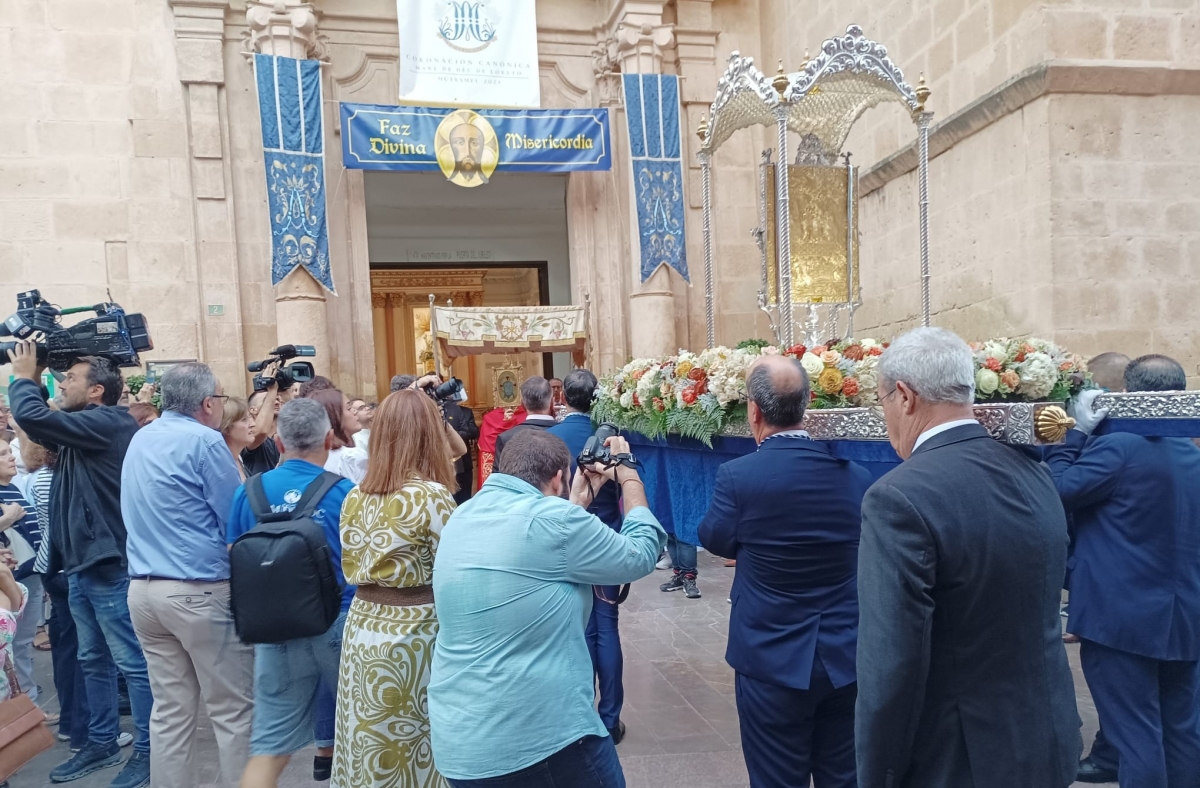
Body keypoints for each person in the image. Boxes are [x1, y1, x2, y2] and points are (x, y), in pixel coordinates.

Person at [855, 327, 1081, 788]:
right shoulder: (1032, 471)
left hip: (961, 756)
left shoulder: (898, 497)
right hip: (1046, 735)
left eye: (882, 402)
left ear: (904, 396)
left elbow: (892, 662)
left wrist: (878, 770)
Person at [429, 430, 665, 787]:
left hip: (462, 739)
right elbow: (640, 554)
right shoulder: (554, 520)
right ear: (558, 477)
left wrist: (575, 503)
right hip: (539, 738)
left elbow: (530, 551)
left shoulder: (463, 515)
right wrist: (629, 473)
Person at [699, 356, 872, 788]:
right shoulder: (857, 478)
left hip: (770, 655)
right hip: (845, 653)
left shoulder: (739, 477)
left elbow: (715, 539)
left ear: (753, 411)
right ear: (808, 404)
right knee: (844, 776)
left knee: (776, 778)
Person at [1045, 354, 1200, 788]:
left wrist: (1071, 436)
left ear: (1128, 395)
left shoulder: (1120, 446)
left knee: (1137, 735)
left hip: (1122, 619)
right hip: (1183, 616)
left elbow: (1056, 491)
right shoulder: (1190, 450)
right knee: (1181, 731)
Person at [6, 340, 153, 788]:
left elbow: (33, 415)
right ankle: (102, 740)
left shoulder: (108, 422)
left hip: (108, 563)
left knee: (131, 662)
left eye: (70, 378)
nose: (61, 381)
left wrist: (25, 377)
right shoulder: (82, 425)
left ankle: (148, 752)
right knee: (93, 658)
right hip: (82, 565)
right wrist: (34, 383)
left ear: (96, 392)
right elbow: (35, 432)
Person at [120, 363, 255, 787]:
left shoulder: (143, 435)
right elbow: (233, 516)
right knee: (233, 710)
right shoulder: (204, 439)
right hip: (195, 589)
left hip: (144, 589)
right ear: (208, 403)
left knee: (171, 710)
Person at [227, 398, 355, 788]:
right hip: (337, 622)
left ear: (279, 443)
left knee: (269, 745)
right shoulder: (345, 493)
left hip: (273, 629)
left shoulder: (247, 493)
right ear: (330, 438)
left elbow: (235, 556)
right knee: (360, 730)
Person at [332, 390, 457, 788]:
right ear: (428, 435)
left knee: (367, 731)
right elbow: (454, 570)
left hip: (363, 624)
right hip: (416, 631)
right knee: (414, 735)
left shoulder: (354, 495)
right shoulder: (431, 496)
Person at [546, 369, 628, 743]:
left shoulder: (549, 439)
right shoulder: (613, 441)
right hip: (606, 539)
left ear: (563, 399)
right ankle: (609, 719)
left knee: (574, 631)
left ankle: (580, 718)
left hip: (564, 542)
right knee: (606, 628)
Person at [0, 436, 43, 708]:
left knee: (22, 643)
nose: (12, 457)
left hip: (30, 575)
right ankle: (23, 707)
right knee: (10, 646)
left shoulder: (14, 488)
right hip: (9, 581)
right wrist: (7, 519)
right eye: (3, 454)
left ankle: (27, 704)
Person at [493, 377, 556, 466]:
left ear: (522, 404)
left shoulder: (505, 438)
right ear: (552, 402)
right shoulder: (567, 433)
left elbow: (500, 477)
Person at [307, 388, 365, 484]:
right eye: (349, 408)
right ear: (334, 415)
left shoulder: (313, 457)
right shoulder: (352, 457)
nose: (355, 412)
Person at [242, 380, 283, 477]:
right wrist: (272, 391)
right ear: (253, 410)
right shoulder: (247, 435)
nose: (276, 402)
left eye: (278, 400)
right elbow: (260, 432)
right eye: (268, 399)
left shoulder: (284, 437)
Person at [444, 398, 478, 505]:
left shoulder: (460, 411)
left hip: (462, 463)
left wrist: (449, 434)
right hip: (440, 465)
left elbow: (470, 432)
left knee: (463, 499)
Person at [221, 397, 255, 481]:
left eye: (250, 417)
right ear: (226, 427)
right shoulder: (222, 465)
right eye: (244, 420)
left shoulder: (238, 457)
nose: (252, 424)